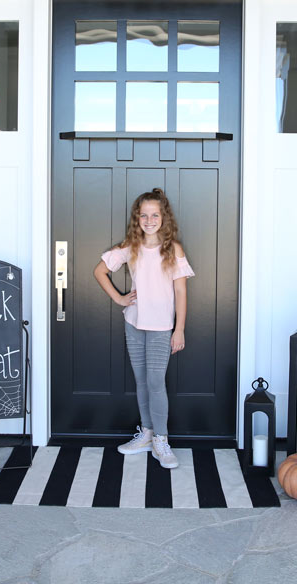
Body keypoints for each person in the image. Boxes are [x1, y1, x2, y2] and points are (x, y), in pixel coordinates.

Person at [93, 188, 193, 469]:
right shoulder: (131, 246)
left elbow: (181, 292)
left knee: (155, 383)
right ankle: (147, 434)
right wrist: (119, 298)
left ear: (164, 218)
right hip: (134, 324)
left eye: (155, 215)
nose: (149, 220)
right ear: (137, 218)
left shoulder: (172, 249)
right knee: (140, 382)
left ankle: (162, 439)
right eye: (144, 215)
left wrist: (179, 329)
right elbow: (100, 271)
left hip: (162, 327)